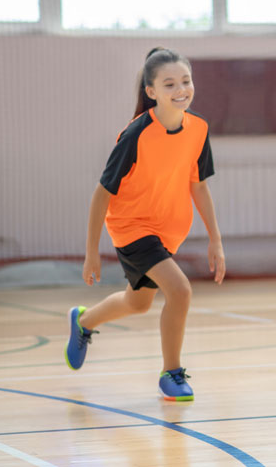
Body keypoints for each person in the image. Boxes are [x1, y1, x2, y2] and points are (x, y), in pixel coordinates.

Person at [65, 47, 226, 402]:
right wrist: (91, 253)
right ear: (151, 91)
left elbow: (198, 185)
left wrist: (215, 239)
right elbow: (101, 194)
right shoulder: (136, 134)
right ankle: (171, 373)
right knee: (180, 291)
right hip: (131, 227)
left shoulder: (198, 129)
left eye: (185, 81)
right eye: (169, 83)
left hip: (168, 231)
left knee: (137, 302)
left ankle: (83, 322)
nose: (180, 89)